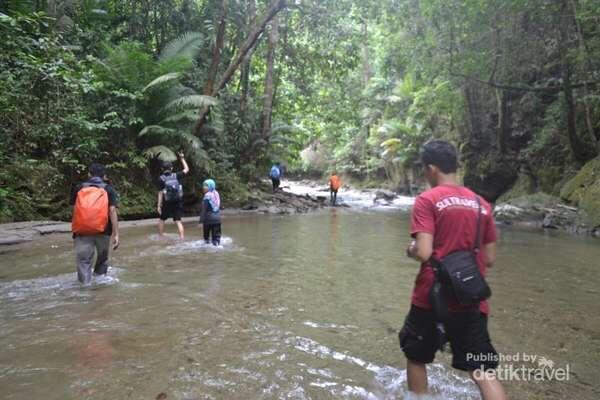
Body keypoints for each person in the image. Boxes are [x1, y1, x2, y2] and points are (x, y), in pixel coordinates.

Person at [401, 140, 506, 400]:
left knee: (416, 357)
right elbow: (490, 258)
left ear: (432, 169)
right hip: (470, 298)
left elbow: (424, 252)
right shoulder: (482, 204)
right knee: (482, 370)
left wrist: (411, 249)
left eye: (424, 170)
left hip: (431, 296)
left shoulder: (427, 200)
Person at [71, 163, 119, 285]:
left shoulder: (79, 188)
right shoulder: (109, 189)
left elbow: (75, 208)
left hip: (82, 231)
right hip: (103, 231)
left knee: (84, 261)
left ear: (89, 174)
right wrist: (116, 233)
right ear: (104, 176)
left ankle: (85, 288)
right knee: (102, 259)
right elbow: (112, 211)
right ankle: (100, 285)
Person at [157, 152, 189, 239]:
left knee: (162, 219)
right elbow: (186, 169)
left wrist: (159, 205)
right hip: (177, 200)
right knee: (178, 221)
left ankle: (161, 236)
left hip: (167, 202)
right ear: (171, 168)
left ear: (162, 169)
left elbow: (160, 193)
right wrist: (182, 158)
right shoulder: (176, 175)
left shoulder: (161, 178)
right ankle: (182, 237)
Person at [200, 179, 221, 246]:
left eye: (206, 185)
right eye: (203, 185)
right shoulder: (216, 193)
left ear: (210, 186)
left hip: (208, 220)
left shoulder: (207, 196)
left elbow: (204, 210)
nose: (204, 187)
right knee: (216, 239)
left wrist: (200, 221)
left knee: (206, 239)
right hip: (218, 220)